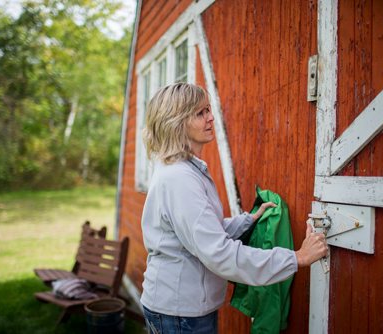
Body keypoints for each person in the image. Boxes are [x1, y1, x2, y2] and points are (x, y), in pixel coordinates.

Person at [140, 82, 327, 334]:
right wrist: (297, 257)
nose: (211, 118)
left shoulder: (184, 170)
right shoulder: (179, 179)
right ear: (177, 122)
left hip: (179, 308)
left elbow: (199, 233)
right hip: (179, 314)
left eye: (208, 110)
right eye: (200, 113)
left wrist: (248, 220)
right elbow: (219, 254)